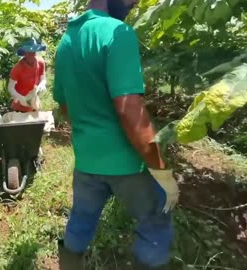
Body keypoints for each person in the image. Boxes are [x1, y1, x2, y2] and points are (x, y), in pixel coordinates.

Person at [53, 0, 179, 269]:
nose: (132, 4)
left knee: (81, 219)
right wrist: (162, 172)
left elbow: (65, 105)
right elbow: (128, 110)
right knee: (155, 222)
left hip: (87, 160)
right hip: (128, 163)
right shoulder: (117, 32)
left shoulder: (66, 41)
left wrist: (92, 131)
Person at [7, 38, 47, 112]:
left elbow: (43, 78)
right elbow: (10, 88)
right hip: (20, 106)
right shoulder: (17, 68)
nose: (32, 54)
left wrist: (42, 84)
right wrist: (21, 98)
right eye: (29, 52)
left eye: (33, 51)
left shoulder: (41, 62)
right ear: (24, 53)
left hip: (34, 102)